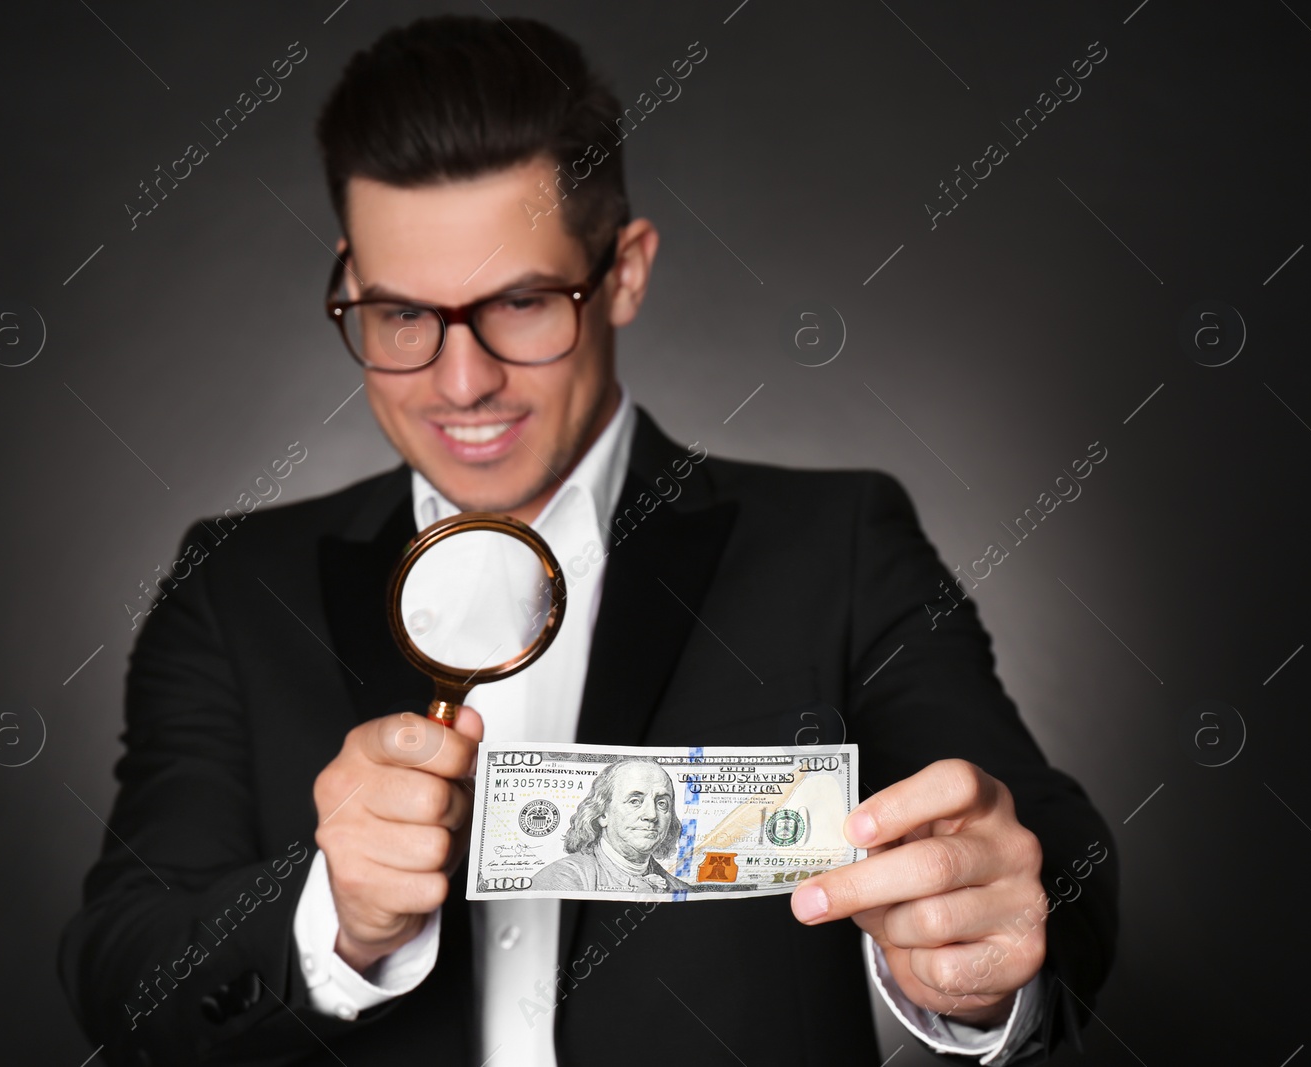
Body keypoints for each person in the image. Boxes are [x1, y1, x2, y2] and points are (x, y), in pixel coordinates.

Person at [59, 14, 1118, 1067]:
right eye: (398, 315)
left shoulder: (833, 543)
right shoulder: (235, 586)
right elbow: (121, 971)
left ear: (624, 270)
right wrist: (330, 915)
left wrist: (980, 954)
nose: (461, 380)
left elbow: (1062, 874)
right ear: (347, 285)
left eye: (521, 302)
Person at [531, 759, 689, 894]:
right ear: (602, 814)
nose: (652, 815)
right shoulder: (563, 878)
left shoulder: (681, 890)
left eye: (662, 803)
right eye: (635, 801)